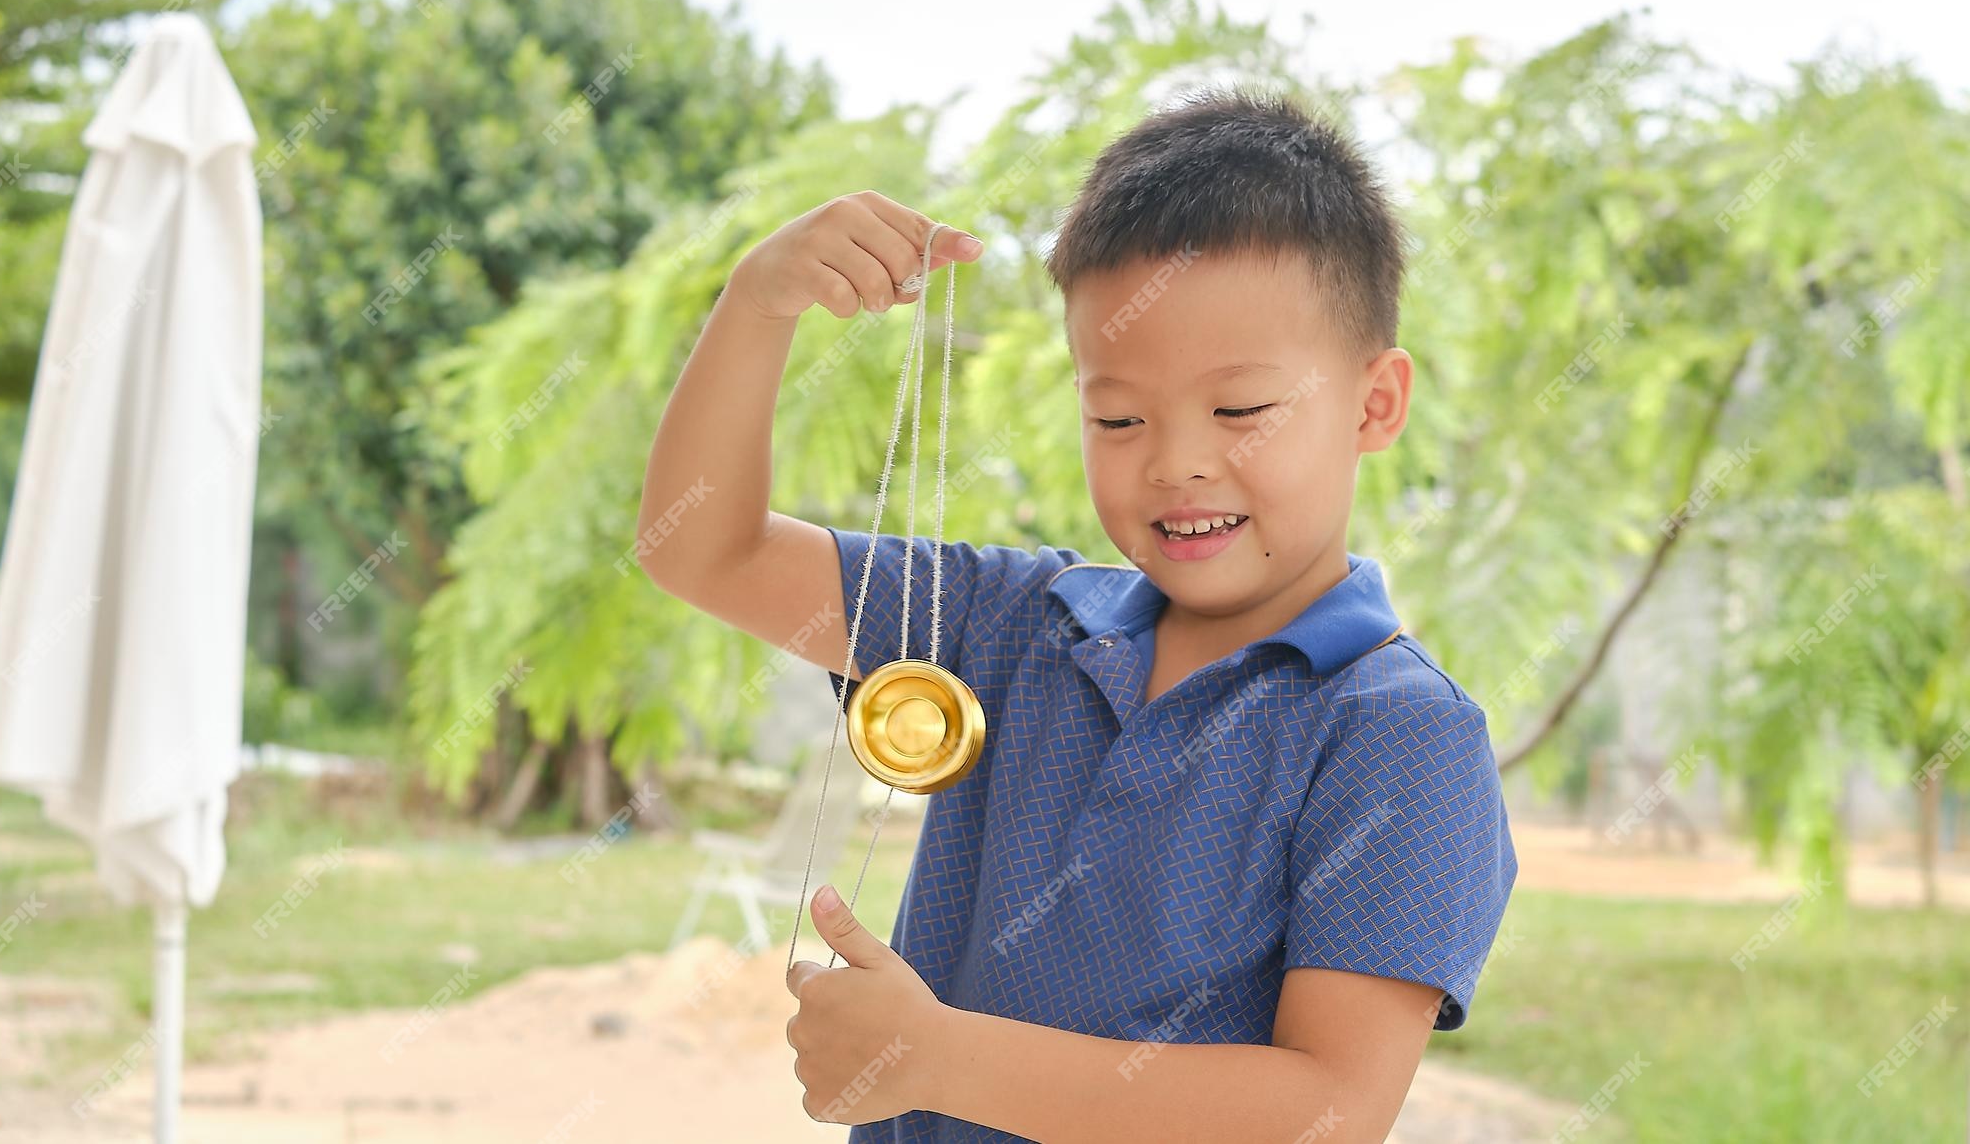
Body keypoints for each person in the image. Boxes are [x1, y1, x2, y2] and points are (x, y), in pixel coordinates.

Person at [637, 86, 1518, 1143]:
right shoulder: (1007, 620)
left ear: (1374, 403)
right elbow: (702, 546)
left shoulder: (1397, 730)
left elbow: (1324, 1112)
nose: (1175, 460)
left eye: (1238, 409)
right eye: (1117, 415)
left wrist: (938, 1057)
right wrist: (757, 301)